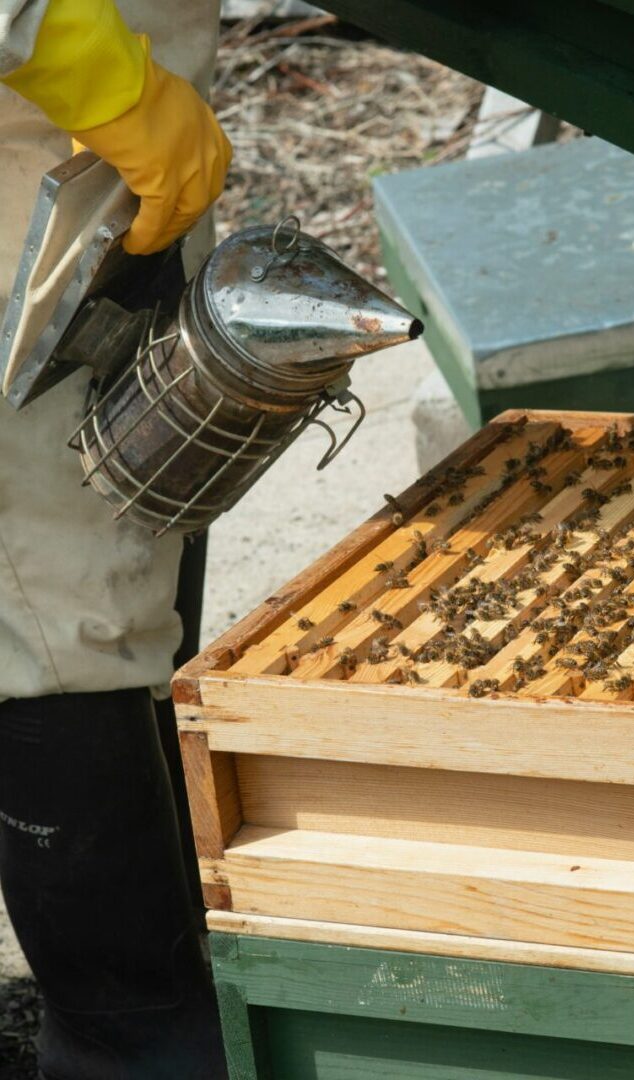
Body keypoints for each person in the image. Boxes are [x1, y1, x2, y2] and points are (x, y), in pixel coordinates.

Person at [0, 0, 230, 1076]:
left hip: (109, 115)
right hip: (40, 123)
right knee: (51, 600)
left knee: (133, 540)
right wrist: (96, 74)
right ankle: (124, 1034)